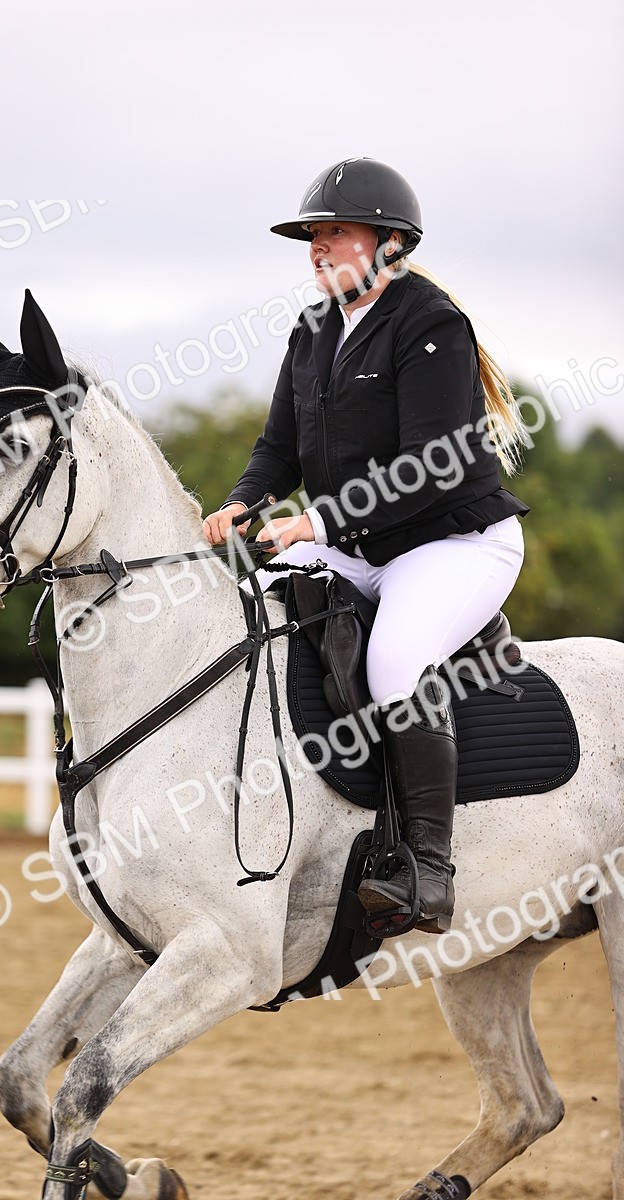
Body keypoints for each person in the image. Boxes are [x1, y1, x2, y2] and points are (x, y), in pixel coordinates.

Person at [202, 157, 529, 937]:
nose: (317, 248)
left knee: (392, 664)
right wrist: (245, 499)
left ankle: (425, 867)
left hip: (453, 542)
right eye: (311, 237)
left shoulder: (430, 324)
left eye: (334, 234)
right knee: (251, 613)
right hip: (361, 541)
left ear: (388, 242)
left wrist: (315, 525)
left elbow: (428, 465)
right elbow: (279, 444)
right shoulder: (313, 332)